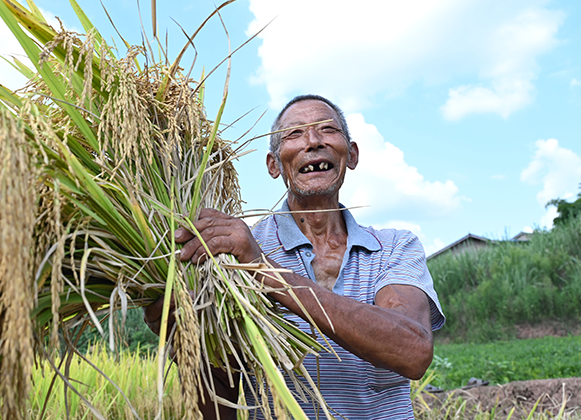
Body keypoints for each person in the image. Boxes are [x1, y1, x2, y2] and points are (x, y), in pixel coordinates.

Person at [146, 94, 445, 419]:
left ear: (352, 154)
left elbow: (413, 351)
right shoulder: (232, 254)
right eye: (295, 134)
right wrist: (186, 335)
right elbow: (221, 404)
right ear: (274, 165)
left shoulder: (394, 247)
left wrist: (265, 271)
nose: (314, 142)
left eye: (328, 130)